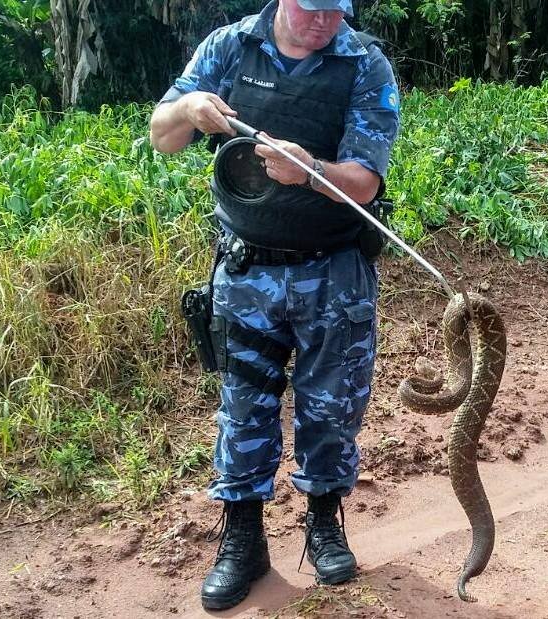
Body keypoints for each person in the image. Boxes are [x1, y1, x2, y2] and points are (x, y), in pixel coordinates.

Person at [149, 0, 400, 610]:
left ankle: (323, 526)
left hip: (334, 271)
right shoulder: (230, 47)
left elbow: (365, 182)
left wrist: (308, 169)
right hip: (247, 271)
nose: (323, 22)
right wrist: (189, 107)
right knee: (243, 408)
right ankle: (243, 540)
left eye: (336, 11)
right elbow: (163, 137)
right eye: (312, 8)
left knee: (331, 408)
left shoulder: (364, 63)